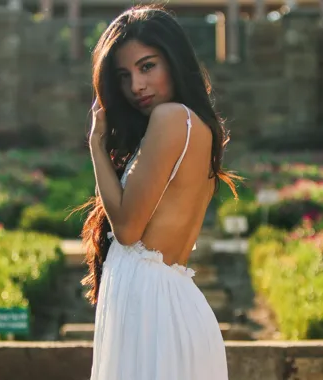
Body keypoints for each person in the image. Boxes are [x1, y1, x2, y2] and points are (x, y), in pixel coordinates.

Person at [79, 5, 239, 380]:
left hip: (154, 314)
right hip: (165, 306)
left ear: (174, 61)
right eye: (124, 75)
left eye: (147, 66)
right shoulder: (194, 125)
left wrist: (96, 146)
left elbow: (129, 229)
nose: (136, 86)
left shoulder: (171, 119)